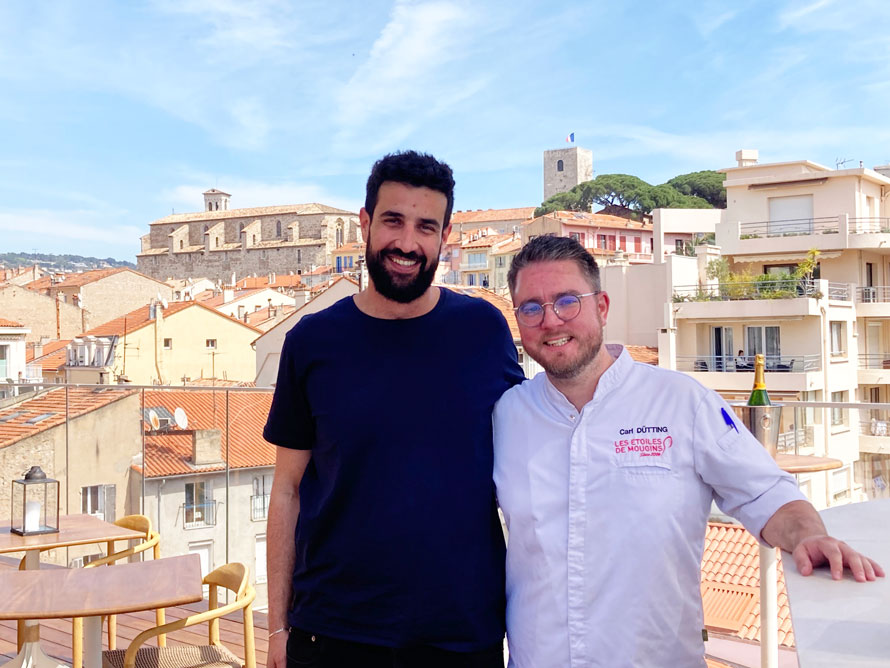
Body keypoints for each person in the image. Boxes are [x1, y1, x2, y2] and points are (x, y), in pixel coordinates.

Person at [493, 235, 883, 668]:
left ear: (602, 307)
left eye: (567, 301)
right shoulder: (507, 416)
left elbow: (765, 493)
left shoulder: (683, 402)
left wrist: (810, 537)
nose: (550, 320)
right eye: (531, 308)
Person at [264, 150, 524, 668]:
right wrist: (276, 629)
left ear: (445, 237)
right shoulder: (311, 342)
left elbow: (532, 449)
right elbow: (287, 489)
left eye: (426, 226)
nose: (407, 243)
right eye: (393, 221)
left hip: (461, 632)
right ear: (364, 224)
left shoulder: (484, 330)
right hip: (332, 633)